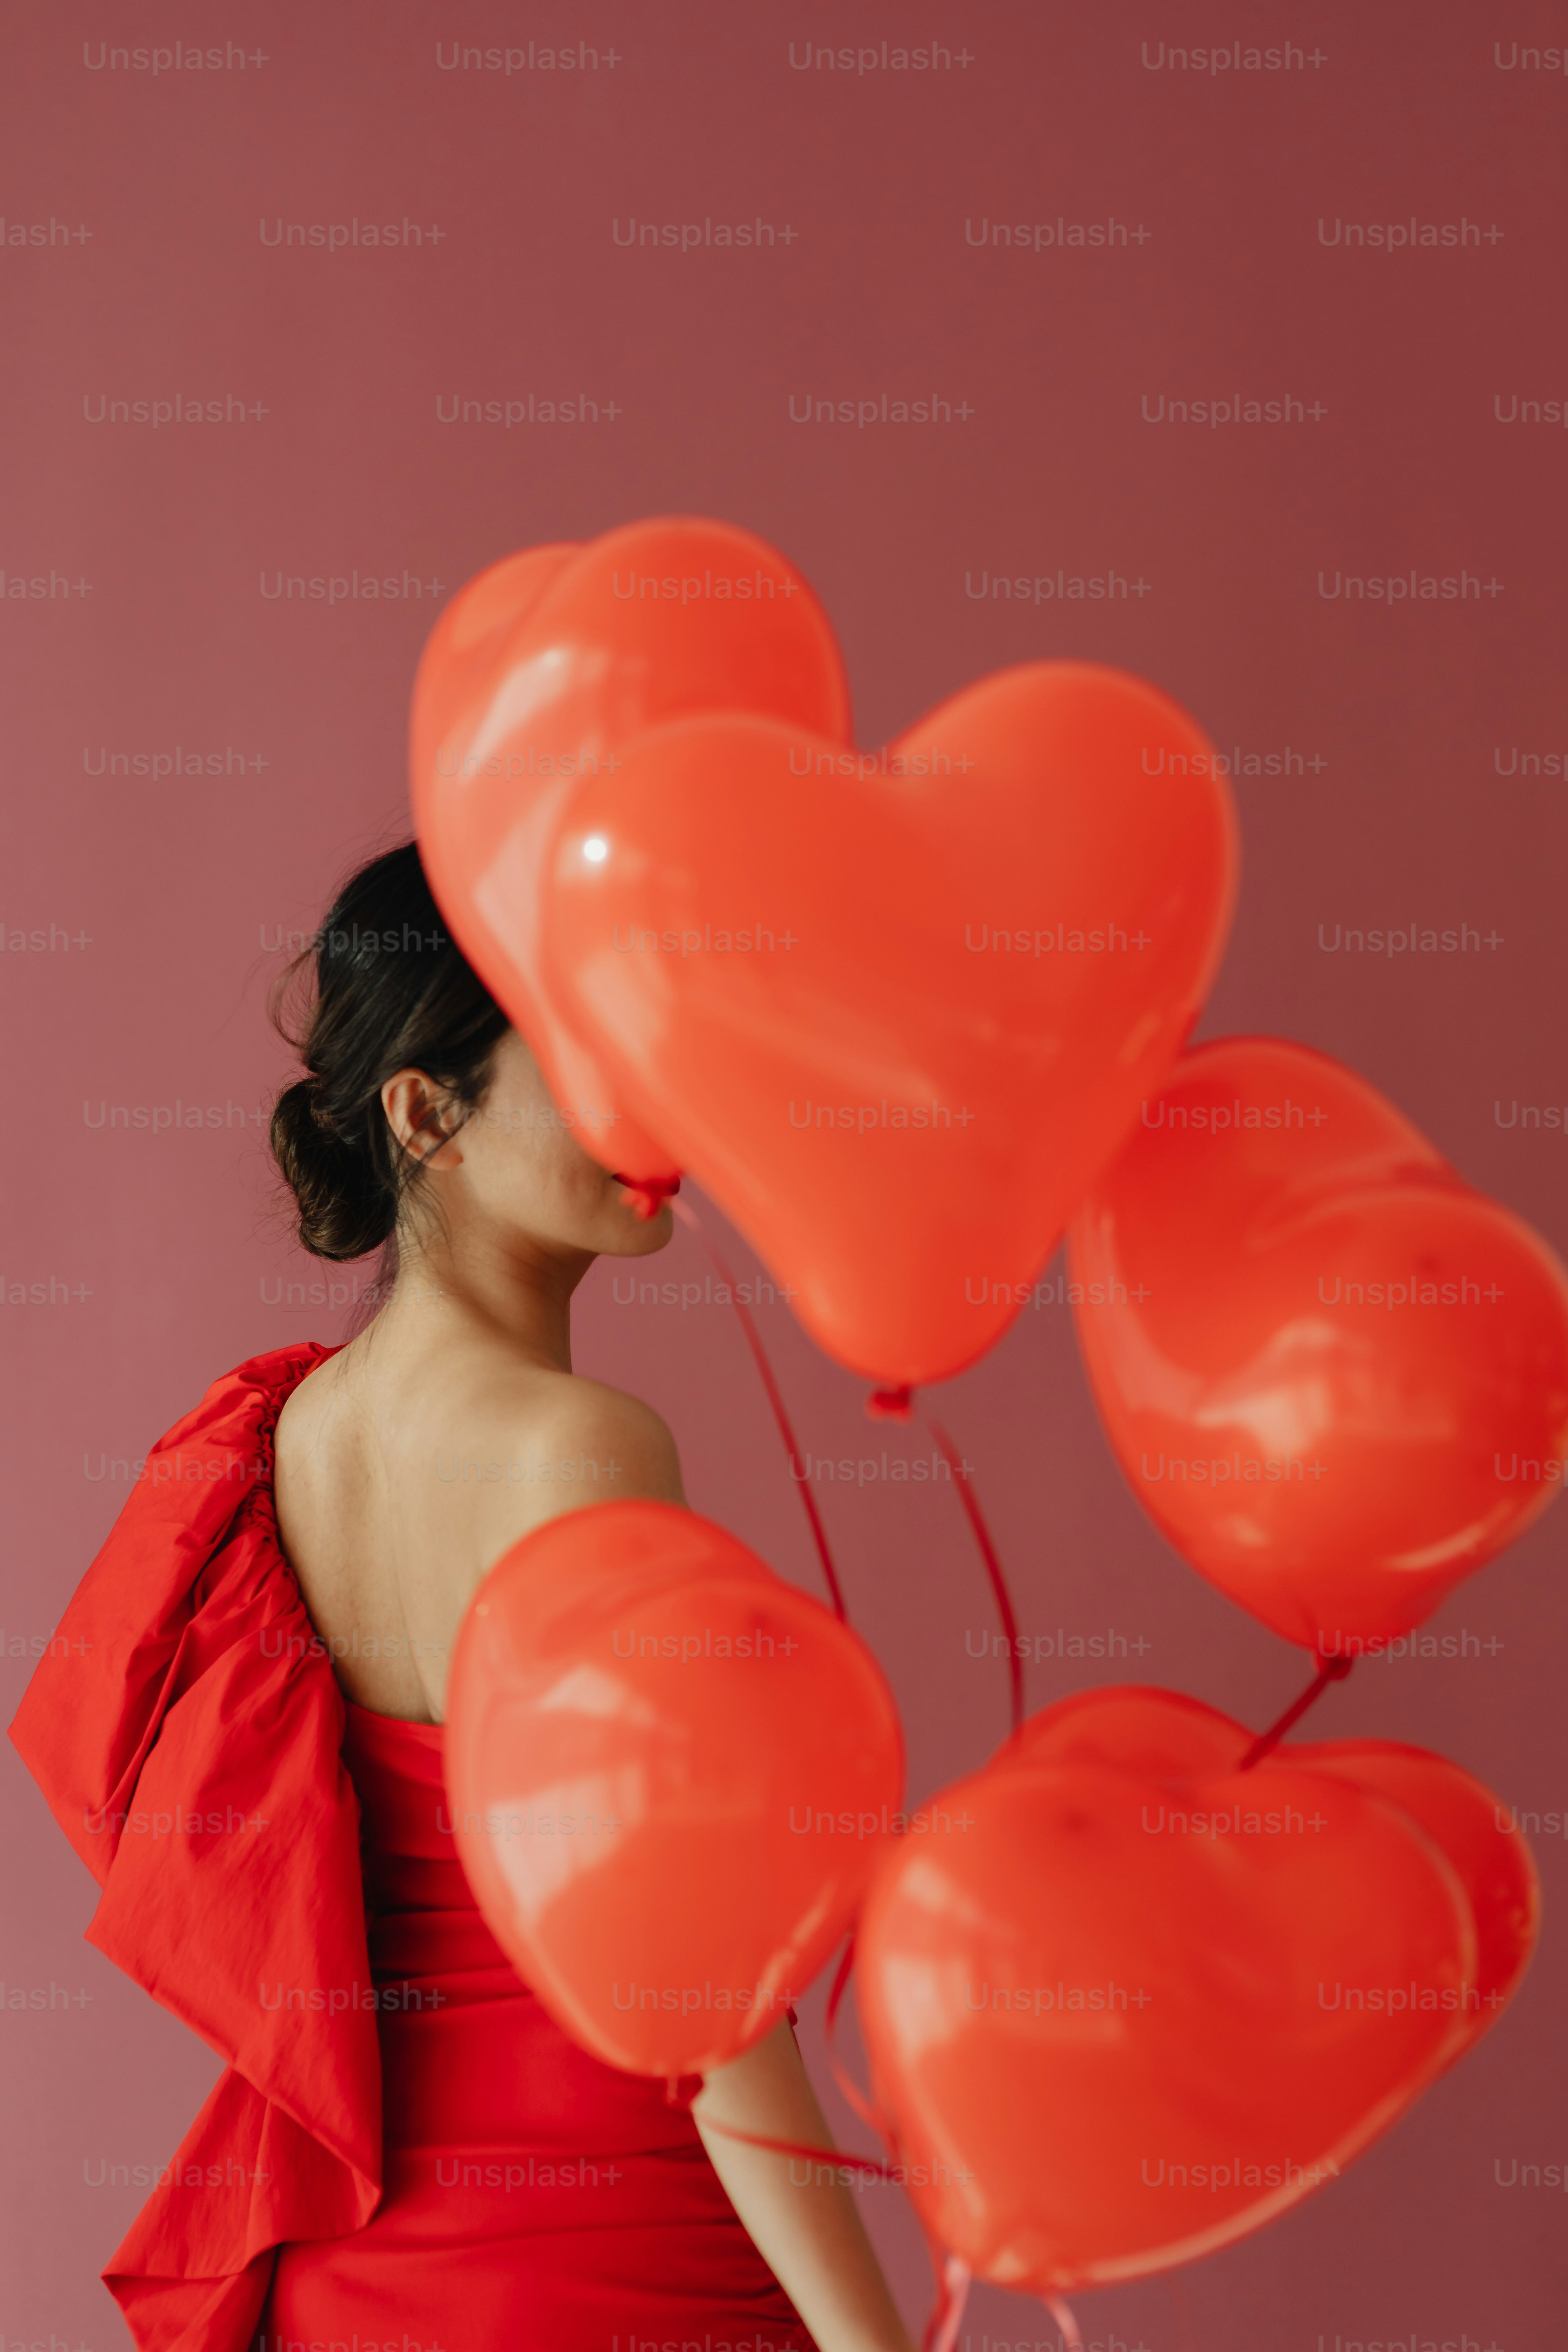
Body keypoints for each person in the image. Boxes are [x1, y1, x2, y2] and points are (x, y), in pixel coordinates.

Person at [10, 841, 916, 2352]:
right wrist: (872, 2342)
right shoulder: (582, 1447)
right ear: (425, 1113)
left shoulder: (269, 1442)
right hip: (613, 2254)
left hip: (349, 2265)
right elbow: (703, 1984)